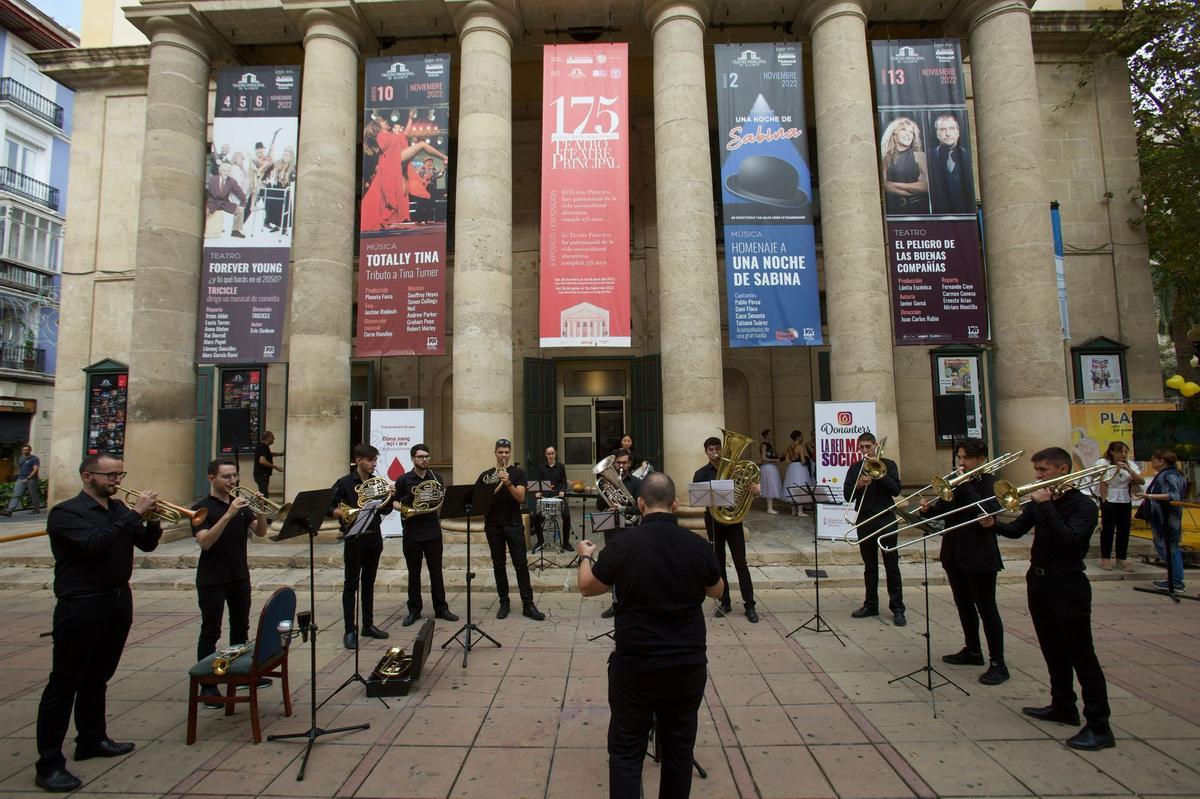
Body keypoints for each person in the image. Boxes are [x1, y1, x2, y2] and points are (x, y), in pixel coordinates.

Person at [575, 472, 724, 799]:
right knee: (679, 750)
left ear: (640, 504)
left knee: (627, 753)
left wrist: (585, 555)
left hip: (635, 665)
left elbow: (587, 587)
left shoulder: (622, 545)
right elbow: (717, 591)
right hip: (686, 664)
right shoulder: (697, 545)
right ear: (676, 504)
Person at [34, 453, 162, 793]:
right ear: (87, 476)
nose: (117, 481)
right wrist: (135, 513)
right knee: (64, 683)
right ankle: (48, 763)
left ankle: (91, 739)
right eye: (110, 475)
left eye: (120, 473)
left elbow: (146, 545)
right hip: (82, 605)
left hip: (117, 600)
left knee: (98, 677)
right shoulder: (66, 514)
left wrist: (151, 519)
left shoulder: (118, 509)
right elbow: (94, 544)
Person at [982, 447, 1114, 750]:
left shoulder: (1083, 505)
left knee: (1081, 654)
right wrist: (994, 526)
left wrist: (1047, 506)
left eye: (1043, 470)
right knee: (1052, 648)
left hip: (1068, 583)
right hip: (1039, 580)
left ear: (1062, 469)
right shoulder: (1042, 501)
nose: (1037, 476)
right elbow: (1017, 530)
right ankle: (1063, 705)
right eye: (1037, 470)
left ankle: (1099, 725)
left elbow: (1069, 538)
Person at [919, 438, 1008, 684]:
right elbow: (950, 511)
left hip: (980, 554)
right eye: (959, 458)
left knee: (987, 608)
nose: (961, 463)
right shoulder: (957, 484)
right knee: (964, 604)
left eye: (966, 458)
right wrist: (929, 510)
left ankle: (998, 662)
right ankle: (972, 649)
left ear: (980, 459)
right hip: (954, 551)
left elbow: (983, 509)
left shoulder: (993, 483)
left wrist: (966, 484)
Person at [190, 458, 270, 708]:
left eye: (235, 476)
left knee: (240, 628)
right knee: (211, 630)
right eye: (226, 477)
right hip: (212, 578)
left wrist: (259, 509)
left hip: (238, 574)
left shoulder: (242, 506)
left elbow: (261, 532)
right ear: (212, 479)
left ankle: (239, 675)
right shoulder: (201, 509)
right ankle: (208, 684)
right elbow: (205, 542)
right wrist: (229, 514)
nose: (233, 481)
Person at [330, 444, 395, 649]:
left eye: (375, 460)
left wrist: (389, 497)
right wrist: (344, 513)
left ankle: (368, 624)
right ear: (358, 461)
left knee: (368, 582)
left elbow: (383, 513)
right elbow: (329, 506)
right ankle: (350, 629)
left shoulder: (377, 483)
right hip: (354, 538)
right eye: (370, 460)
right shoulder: (345, 483)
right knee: (351, 584)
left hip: (373, 537)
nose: (373, 464)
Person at [693, 436, 759, 623]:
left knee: (741, 563)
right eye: (711, 449)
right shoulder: (701, 473)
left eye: (717, 448)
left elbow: (746, 491)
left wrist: (755, 491)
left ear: (721, 449)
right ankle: (725, 601)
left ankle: (750, 604)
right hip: (713, 521)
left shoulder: (735, 469)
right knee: (718, 563)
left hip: (733, 521)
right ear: (705, 452)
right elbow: (697, 497)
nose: (714, 452)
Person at [477, 438, 544, 620]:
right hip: (493, 526)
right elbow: (479, 502)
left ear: (510, 453)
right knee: (499, 565)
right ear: (495, 453)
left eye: (507, 452)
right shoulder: (485, 475)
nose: (504, 455)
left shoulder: (518, 473)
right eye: (500, 452)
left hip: (513, 525)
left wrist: (508, 483)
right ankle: (503, 602)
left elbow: (521, 498)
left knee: (521, 565)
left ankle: (528, 605)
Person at [394, 443, 458, 626]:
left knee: (436, 571)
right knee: (413, 573)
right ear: (413, 458)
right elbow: (395, 503)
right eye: (421, 457)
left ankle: (441, 608)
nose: (424, 460)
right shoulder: (404, 480)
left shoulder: (436, 478)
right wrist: (407, 509)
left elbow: (439, 501)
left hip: (432, 531)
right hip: (412, 531)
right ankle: (414, 610)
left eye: (427, 457)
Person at [846, 432, 906, 626]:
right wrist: (860, 486)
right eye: (861, 447)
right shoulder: (855, 468)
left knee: (891, 565)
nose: (865, 451)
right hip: (865, 520)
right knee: (869, 566)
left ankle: (897, 608)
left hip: (886, 518)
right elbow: (848, 496)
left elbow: (896, 490)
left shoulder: (888, 465)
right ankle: (871, 604)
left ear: (875, 446)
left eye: (868, 447)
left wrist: (880, 475)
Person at [596, 448, 643, 619]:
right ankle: (615, 603)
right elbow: (599, 507)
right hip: (612, 529)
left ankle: (634, 602)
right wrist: (604, 493)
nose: (621, 465)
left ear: (630, 464)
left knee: (633, 567)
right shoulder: (605, 482)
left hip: (631, 530)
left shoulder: (637, 483)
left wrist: (622, 507)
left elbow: (641, 508)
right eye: (618, 462)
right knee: (615, 567)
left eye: (624, 462)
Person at [1139, 449, 1185, 591]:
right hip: (1162, 516)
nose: (1151, 461)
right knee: (1168, 547)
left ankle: (1176, 581)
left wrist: (1149, 497)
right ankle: (1172, 578)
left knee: (1169, 548)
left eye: (1153, 459)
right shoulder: (1168, 474)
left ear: (1162, 461)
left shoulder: (1169, 475)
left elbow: (1173, 496)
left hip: (1167, 518)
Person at [1094, 441, 1143, 571]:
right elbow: (1102, 481)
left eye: (1126, 452)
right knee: (1108, 529)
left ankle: (1121, 558)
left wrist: (1128, 469)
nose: (1123, 454)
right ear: (1112, 452)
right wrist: (1104, 500)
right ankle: (1105, 558)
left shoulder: (1130, 464)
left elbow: (1140, 480)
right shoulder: (1103, 463)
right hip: (1109, 497)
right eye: (1120, 451)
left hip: (1125, 498)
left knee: (1124, 529)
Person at [927, 112, 975, 215]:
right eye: (943, 129)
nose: (948, 133)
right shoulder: (927, 157)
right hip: (936, 218)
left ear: (958, 133)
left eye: (952, 129)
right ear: (937, 134)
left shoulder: (968, 157)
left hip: (966, 219)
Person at [880, 116, 929, 215]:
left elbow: (926, 187)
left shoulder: (919, 156)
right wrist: (912, 190)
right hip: (893, 211)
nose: (908, 134)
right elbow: (883, 187)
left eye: (911, 132)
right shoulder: (886, 159)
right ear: (894, 134)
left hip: (918, 210)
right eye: (903, 130)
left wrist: (891, 185)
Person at [531, 445, 572, 552]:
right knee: (535, 516)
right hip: (545, 496)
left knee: (566, 516)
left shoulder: (561, 466)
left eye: (552, 453)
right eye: (548, 454)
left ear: (555, 454)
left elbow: (564, 482)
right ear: (546, 455)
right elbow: (538, 483)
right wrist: (538, 492)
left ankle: (566, 543)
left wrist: (563, 490)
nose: (550, 455)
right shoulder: (541, 467)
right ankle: (540, 541)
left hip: (558, 495)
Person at [204, 162, 246, 239]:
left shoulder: (232, 181)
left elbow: (241, 195)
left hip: (224, 203)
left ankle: (235, 231)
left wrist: (242, 205)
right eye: (224, 171)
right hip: (211, 202)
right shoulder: (212, 179)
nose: (226, 173)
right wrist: (205, 205)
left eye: (228, 171)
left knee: (240, 210)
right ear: (220, 171)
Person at [2, 443, 41, 515]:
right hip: (20, 478)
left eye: (27, 450)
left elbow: (35, 469)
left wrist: (28, 477)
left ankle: (36, 509)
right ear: (22, 451)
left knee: (33, 494)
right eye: (24, 450)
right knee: (16, 494)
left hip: (31, 479)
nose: (25, 451)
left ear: (30, 450)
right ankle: (9, 510)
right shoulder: (21, 458)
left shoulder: (34, 459)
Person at [253, 431, 283, 497]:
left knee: (263, 493)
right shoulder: (263, 446)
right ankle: (263, 507)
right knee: (264, 495)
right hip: (262, 475)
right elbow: (262, 461)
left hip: (261, 475)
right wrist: (275, 467)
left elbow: (268, 455)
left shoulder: (262, 446)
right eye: (272, 437)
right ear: (267, 437)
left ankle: (262, 506)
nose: (274, 438)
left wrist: (280, 454)